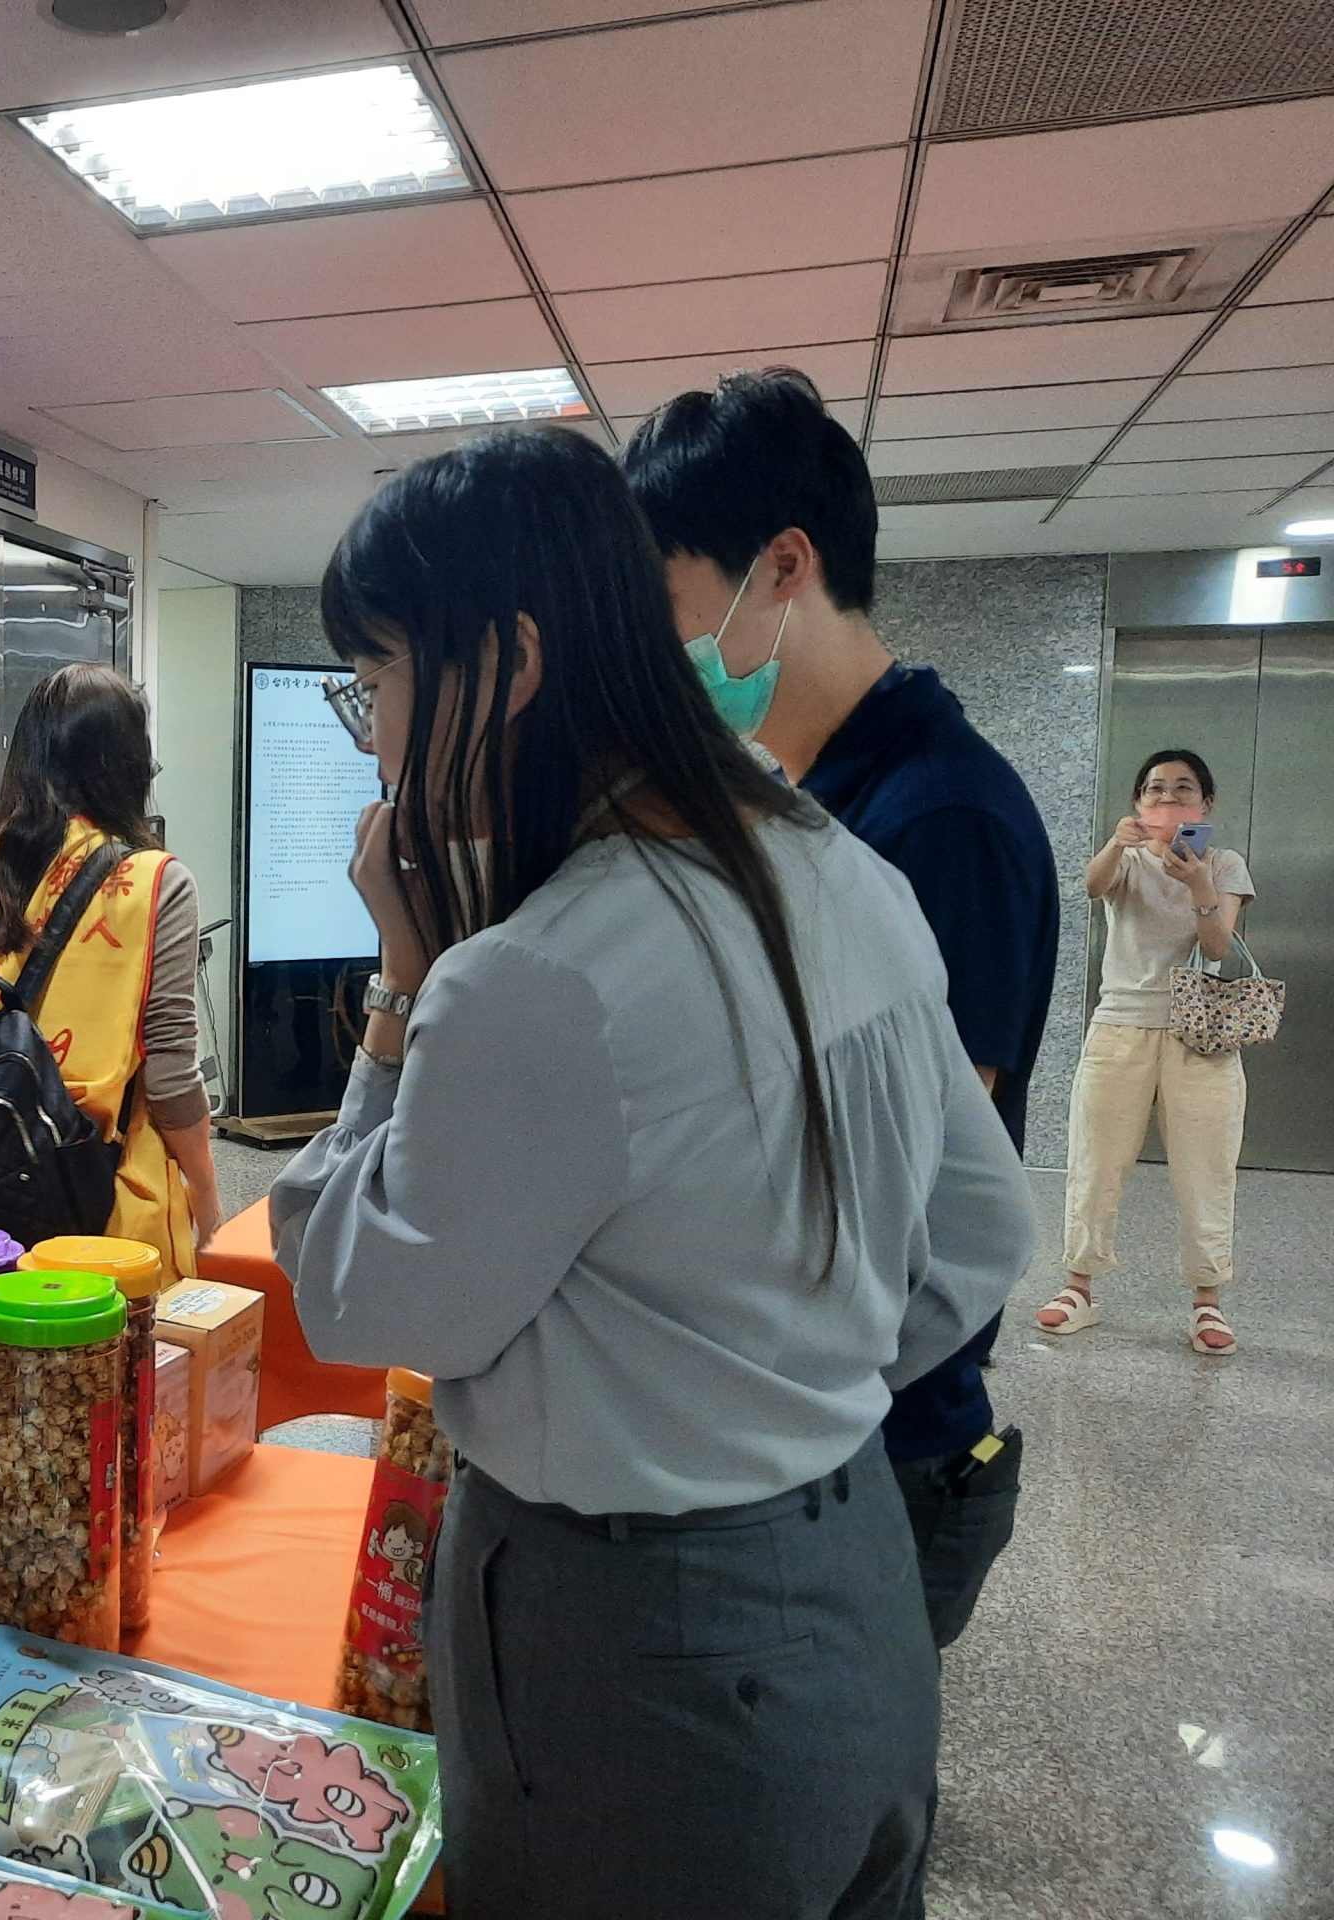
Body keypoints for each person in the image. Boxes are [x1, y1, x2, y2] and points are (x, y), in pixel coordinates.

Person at [270, 429, 1033, 1918]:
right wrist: (778, 1388)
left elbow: (360, 1301)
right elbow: (979, 1232)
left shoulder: (536, 973)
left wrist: (400, 982)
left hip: (638, 1651)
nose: (372, 738)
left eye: (377, 678)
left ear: (510, 662)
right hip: (853, 1582)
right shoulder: (838, 867)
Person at [623, 367, 1056, 1646]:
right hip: (801, 1399)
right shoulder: (806, 793)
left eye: (668, 608)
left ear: (782, 567)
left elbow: (908, 1172)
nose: (659, 654)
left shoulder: (941, 817)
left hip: (880, 1429)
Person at [0, 662, 220, 1266]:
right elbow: (170, 1075)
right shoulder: (156, 883)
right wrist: (205, 1189)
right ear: (128, 766)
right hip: (103, 1217)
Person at [1037, 749, 1255, 1355]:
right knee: (1095, 1158)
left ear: (1205, 804)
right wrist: (1117, 842)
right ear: (1138, 802)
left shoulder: (1225, 863)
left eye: (1183, 789)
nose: (1168, 798)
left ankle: (1207, 1301)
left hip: (1200, 1036)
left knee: (1207, 1168)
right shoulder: (1127, 858)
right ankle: (1078, 1286)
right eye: (1155, 789)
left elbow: (1217, 947)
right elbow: (1091, 886)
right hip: (1120, 1026)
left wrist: (1199, 883)